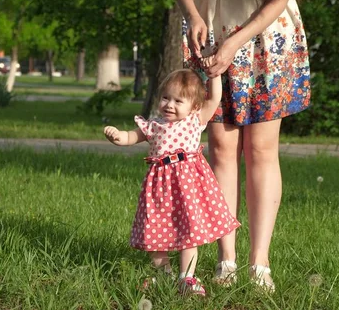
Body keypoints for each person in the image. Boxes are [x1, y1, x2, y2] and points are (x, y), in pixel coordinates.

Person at [169, 0, 311, 292]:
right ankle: (226, 260)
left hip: (266, 29)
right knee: (221, 147)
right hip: (211, 22)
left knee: (261, 149)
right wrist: (191, 14)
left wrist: (236, 42)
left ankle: (260, 263)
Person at [103, 67, 241, 296]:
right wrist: (118, 136)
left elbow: (215, 97)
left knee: (188, 234)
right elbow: (131, 137)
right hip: (159, 190)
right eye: (166, 97)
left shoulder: (195, 120)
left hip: (188, 189)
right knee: (155, 233)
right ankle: (163, 273)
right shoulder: (154, 124)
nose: (169, 104)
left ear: (194, 107)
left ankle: (186, 278)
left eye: (178, 100)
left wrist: (215, 75)